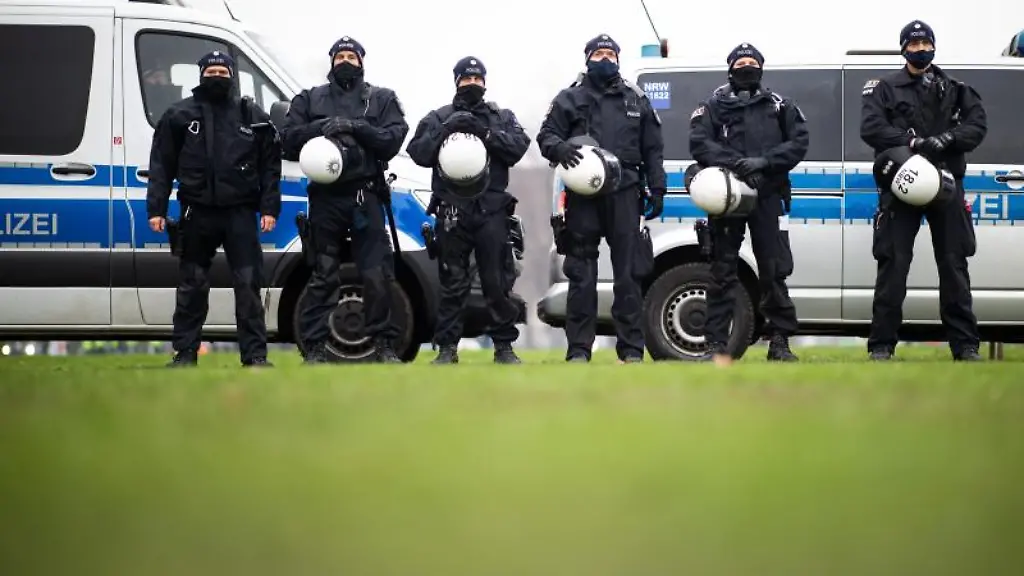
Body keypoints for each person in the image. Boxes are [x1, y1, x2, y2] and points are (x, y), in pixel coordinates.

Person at [146, 50, 281, 368]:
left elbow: (270, 165)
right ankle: (185, 353)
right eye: (212, 72)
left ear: (233, 76)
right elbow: (161, 165)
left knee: (248, 284)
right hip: (196, 212)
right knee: (192, 284)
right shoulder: (179, 115)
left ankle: (255, 356)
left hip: (240, 214)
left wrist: (269, 208)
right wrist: (157, 208)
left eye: (223, 72)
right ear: (201, 75)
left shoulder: (251, 114)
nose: (217, 76)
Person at [536, 34, 666, 364]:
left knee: (629, 276)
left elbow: (653, 148)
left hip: (626, 193)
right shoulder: (569, 98)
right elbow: (546, 136)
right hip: (583, 197)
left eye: (610, 54)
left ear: (618, 59)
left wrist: (658, 187)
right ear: (588, 59)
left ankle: (631, 350)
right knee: (581, 276)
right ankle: (579, 350)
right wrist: (561, 148)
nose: (605, 59)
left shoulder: (636, 99)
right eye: (599, 54)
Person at [861, 20, 986, 362]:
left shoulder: (956, 88)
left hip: (946, 184)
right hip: (902, 186)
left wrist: (948, 139)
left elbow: (977, 125)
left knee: (954, 264)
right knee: (893, 263)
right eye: (913, 45)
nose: (920, 50)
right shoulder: (884, 88)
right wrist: (911, 142)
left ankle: (965, 346)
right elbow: (871, 128)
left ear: (933, 46)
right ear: (903, 48)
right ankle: (882, 345)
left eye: (924, 44)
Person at [280, 36, 410, 364]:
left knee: (377, 273)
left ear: (362, 62)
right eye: (340, 56)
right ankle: (313, 348)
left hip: (366, 196)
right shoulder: (309, 99)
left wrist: (356, 127)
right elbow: (288, 140)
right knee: (323, 273)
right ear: (331, 61)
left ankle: (383, 345)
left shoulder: (381, 99)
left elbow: (392, 140)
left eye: (352, 55)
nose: (346, 61)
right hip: (326, 200)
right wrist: (323, 127)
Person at [689, 43, 808, 366]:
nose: (746, 66)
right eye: (740, 62)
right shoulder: (713, 105)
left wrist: (764, 162)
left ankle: (779, 342)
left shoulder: (780, 105)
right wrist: (736, 163)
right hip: (727, 198)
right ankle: (716, 345)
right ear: (730, 69)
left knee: (774, 270)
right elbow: (699, 143)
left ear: (761, 68)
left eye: (752, 62)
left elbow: (799, 143)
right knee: (722, 273)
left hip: (768, 196)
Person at [406, 57, 531, 365]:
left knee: (497, 281)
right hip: (452, 210)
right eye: (467, 79)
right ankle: (447, 348)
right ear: (457, 81)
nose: (472, 84)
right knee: (453, 282)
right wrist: (445, 131)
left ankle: (504, 347)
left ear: (485, 83)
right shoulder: (438, 117)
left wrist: (486, 134)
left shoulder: (500, 116)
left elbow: (518, 148)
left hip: (491, 210)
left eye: (478, 79)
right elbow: (417, 152)